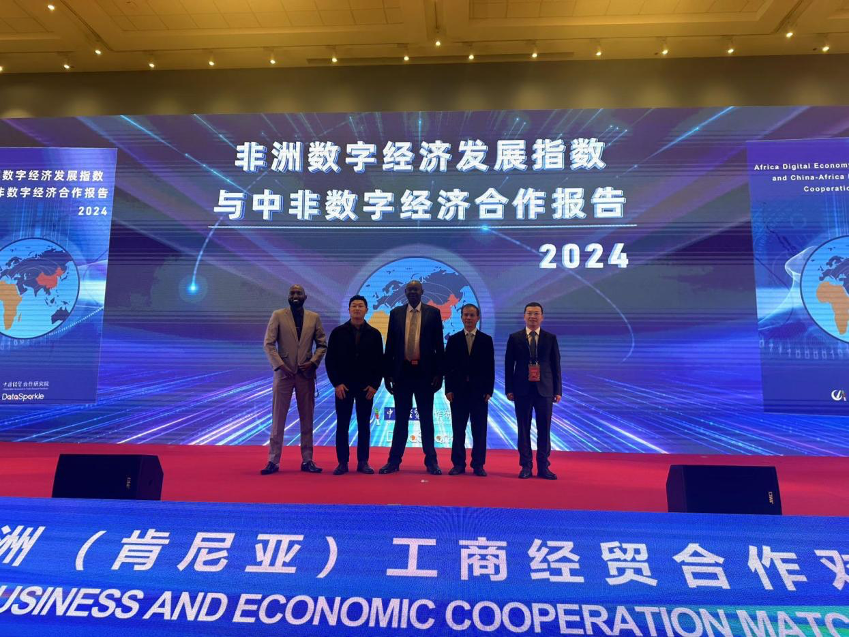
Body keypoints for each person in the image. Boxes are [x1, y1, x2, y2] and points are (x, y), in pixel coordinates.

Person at [379, 280, 444, 475]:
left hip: (425, 374)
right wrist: (387, 374)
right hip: (402, 374)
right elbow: (390, 345)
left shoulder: (433, 313)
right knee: (400, 420)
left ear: (422, 291)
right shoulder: (396, 313)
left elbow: (439, 346)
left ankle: (431, 462)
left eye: (416, 289)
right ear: (405, 292)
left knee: (426, 419)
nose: (413, 292)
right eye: (410, 290)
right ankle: (393, 461)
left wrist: (439, 373)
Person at [260, 284, 327, 475]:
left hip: (305, 375)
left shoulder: (314, 317)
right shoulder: (278, 315)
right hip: (283, 374)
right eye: (292, 293)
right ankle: (273, 460)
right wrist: (280, 365)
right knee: (278, 419)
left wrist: (313, 362)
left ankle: (307, 460)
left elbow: (322, 344)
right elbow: (268, 344)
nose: (295, 295)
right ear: (288, 296)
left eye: (299, 293)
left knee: (307, 419)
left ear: (305, 297)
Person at [325, 295, 383, 475]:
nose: (357, 309)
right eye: (354, 306)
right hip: (344, 387)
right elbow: (330, 360)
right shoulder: (338, 332)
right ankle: (342, 462)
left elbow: (380, 362)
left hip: (366, 388)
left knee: (364, 425)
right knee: (342, 425)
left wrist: (374, 385)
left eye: (360, 306)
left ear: (366, 310)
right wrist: (336, 383)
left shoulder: (375, 334)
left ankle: (363, 462)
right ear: (349, 310)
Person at [505, 302, 561, 480]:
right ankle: (526, 466)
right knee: (523, 429)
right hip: (522, 389)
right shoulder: (515, 338)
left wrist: (558, 390)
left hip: (545, 390)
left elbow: (556, 365)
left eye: (536, 313)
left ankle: (543, 467)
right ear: (524, 316)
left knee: (544, 429)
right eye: (529, 313)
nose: (533, 316)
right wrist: (509, 389)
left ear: (542, 317)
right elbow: (508, 365)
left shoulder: (550, 338)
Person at [444, 304, 494, 477]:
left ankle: (478, 464)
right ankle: (458, 464)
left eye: (472, 315)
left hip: (479, 393)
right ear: (461, 317)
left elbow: (490, 367)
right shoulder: (454, 339)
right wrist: (448, 389)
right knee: (458, 430)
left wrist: (489, 390)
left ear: (478, 318)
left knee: (479, 430)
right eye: (465, 315)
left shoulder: (486, 340)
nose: (468, 318)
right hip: (458, 392)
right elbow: (448, 367)